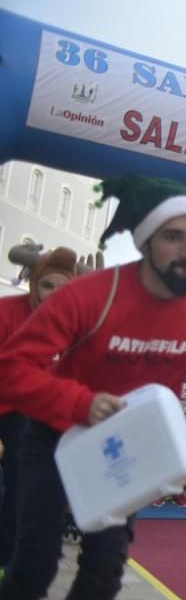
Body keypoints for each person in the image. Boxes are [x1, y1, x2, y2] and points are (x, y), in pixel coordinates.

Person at [0, 175, 186, 600]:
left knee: (106, 567)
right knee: (35, 565)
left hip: (122, 446)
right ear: (146, 239)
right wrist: (81, 403)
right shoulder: (89, 295)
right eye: (173, 236)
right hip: (54, 433)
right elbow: (13, 366)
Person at [0, 246, 81, 577]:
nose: (55, 296)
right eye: (48, 286)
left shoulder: (73, 326)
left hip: (33, 419)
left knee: (25, 495)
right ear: (33, 284)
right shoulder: (6, 313)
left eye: (64, 289)